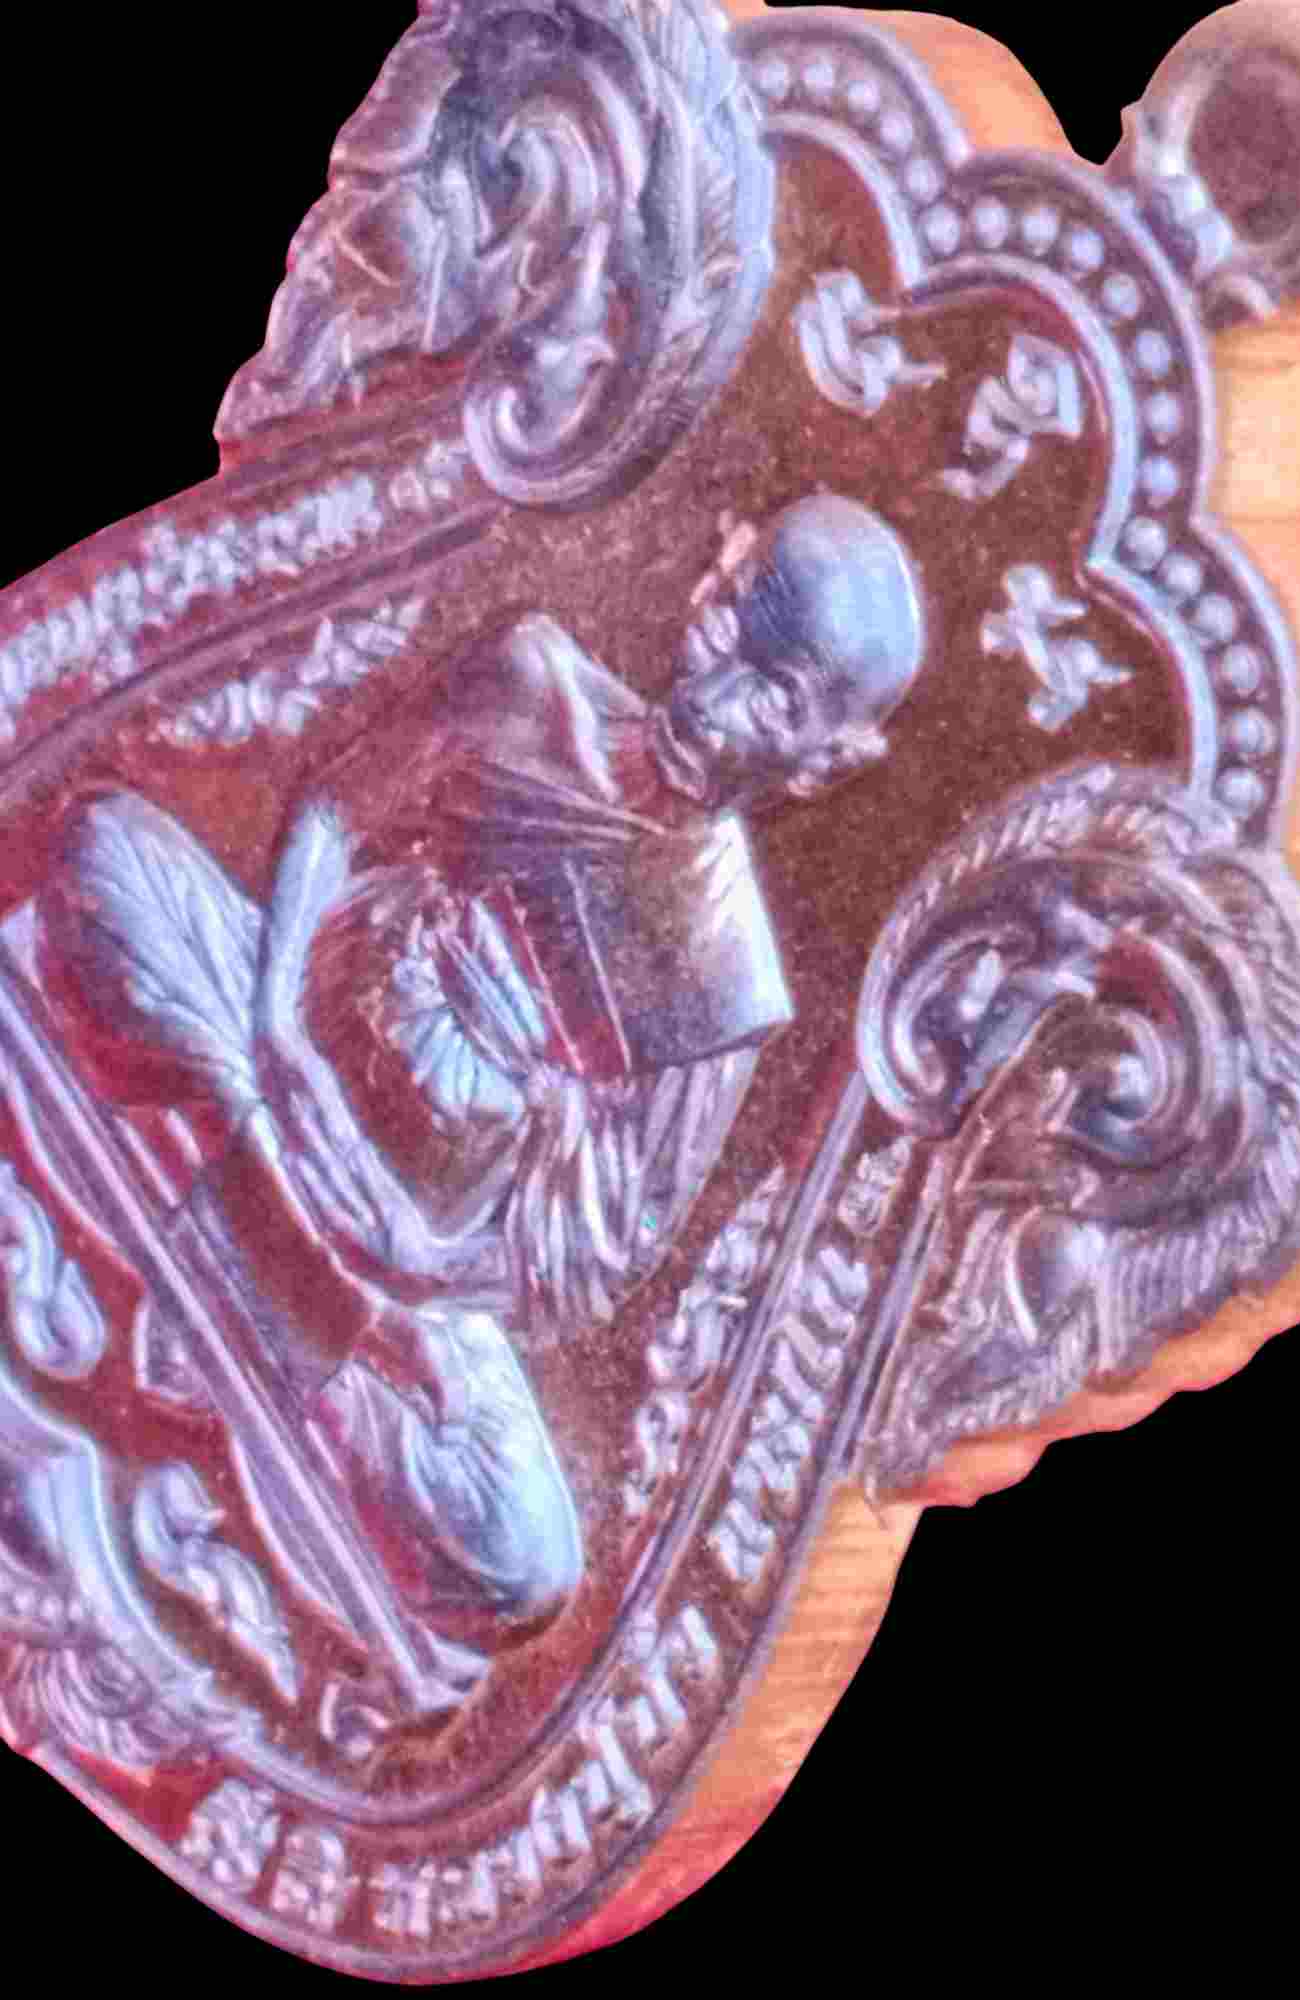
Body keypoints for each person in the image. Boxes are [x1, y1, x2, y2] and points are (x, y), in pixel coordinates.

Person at [38, 494, 926, 1657]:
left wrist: (416, 1257)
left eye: (774, 696)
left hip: (415, 1249)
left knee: (522, 1559)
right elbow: (334, 813)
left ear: (826, 760)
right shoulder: (531, 681)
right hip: (280, 1056)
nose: (717, 703)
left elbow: (592, 1254)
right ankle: (266, 1212)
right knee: (98, 849)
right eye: (730, 631)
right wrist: (279, 1034)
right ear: (713, 578)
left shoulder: (727, 984)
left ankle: (319, 1315)